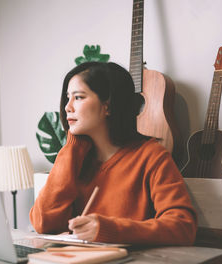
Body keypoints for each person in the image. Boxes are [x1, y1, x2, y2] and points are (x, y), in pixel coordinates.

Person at [29, 61, 197, 245]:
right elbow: (43, 224)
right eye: (67, 97)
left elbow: (183, 227)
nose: (67, 107)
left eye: (78, 97)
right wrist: (72, 147)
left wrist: (111, 230)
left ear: (107, 105)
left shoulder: (152, 156)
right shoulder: (75, 157)